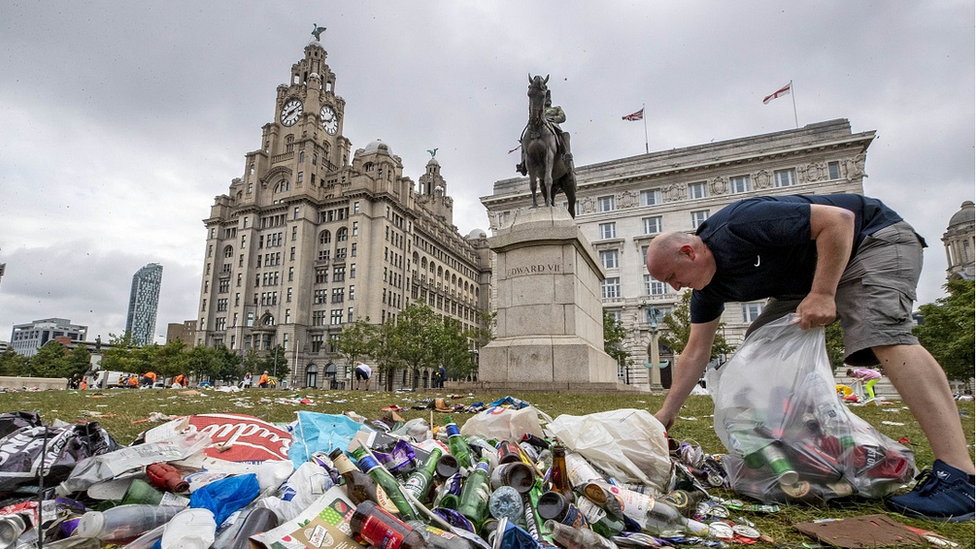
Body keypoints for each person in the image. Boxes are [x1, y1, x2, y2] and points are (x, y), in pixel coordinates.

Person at [644, 193, 975, 522]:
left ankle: (960, 477)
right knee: (758, 348)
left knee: (882, 334)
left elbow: (838, 221)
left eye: (673, 277)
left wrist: (822, 293)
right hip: (803, 280)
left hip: (869, 241)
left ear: (689, 252)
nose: (675, 288)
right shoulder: (707, 290)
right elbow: (696, 350)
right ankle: (811, 454)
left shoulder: (737, 226)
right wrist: (667, 412)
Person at [516, 88, 574, 175]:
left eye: (549, 99)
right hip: (540, 129)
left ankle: (567, 154)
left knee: (565, 135)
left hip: (553, 126)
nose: (548, 100)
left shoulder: (556, 108)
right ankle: (523, 163)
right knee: (525, 140)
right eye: (546, 99)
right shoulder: (539, 111)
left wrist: (551, 120)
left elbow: (562, 117)